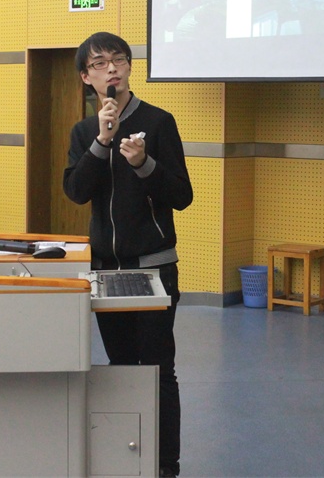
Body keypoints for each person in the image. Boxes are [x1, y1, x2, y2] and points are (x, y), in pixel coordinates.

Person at [63, 32, 193, 478]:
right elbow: (77, 191)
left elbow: (182, 195)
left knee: (158, 372)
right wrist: (102, 142)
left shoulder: (158, 122)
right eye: (99, 64)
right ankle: (126, 462)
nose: (111, 69)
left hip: (154, 268)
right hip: (105, 271)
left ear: (130, 68)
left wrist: (143, 164)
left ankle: (166, 467)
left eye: (118, 60)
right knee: (120, 369)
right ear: (87, 77)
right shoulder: (84, 131)